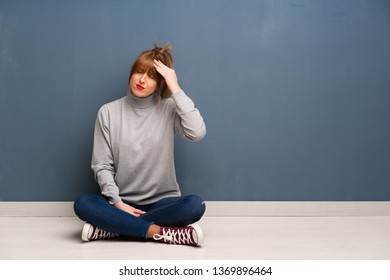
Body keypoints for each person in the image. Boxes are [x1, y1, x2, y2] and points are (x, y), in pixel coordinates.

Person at [73, 42, 206, 246]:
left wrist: (175, 87)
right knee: (83, 203)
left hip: (162, 203)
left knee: (195, 205)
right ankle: (162, 232)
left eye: (152, 76)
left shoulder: (169, 108)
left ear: (160, 82)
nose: (142, 80)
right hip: (121, 202)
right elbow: (102, 165)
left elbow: (197, 132)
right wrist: (117, 203)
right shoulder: (108, 112)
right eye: (138, 72)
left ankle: (113, 229)